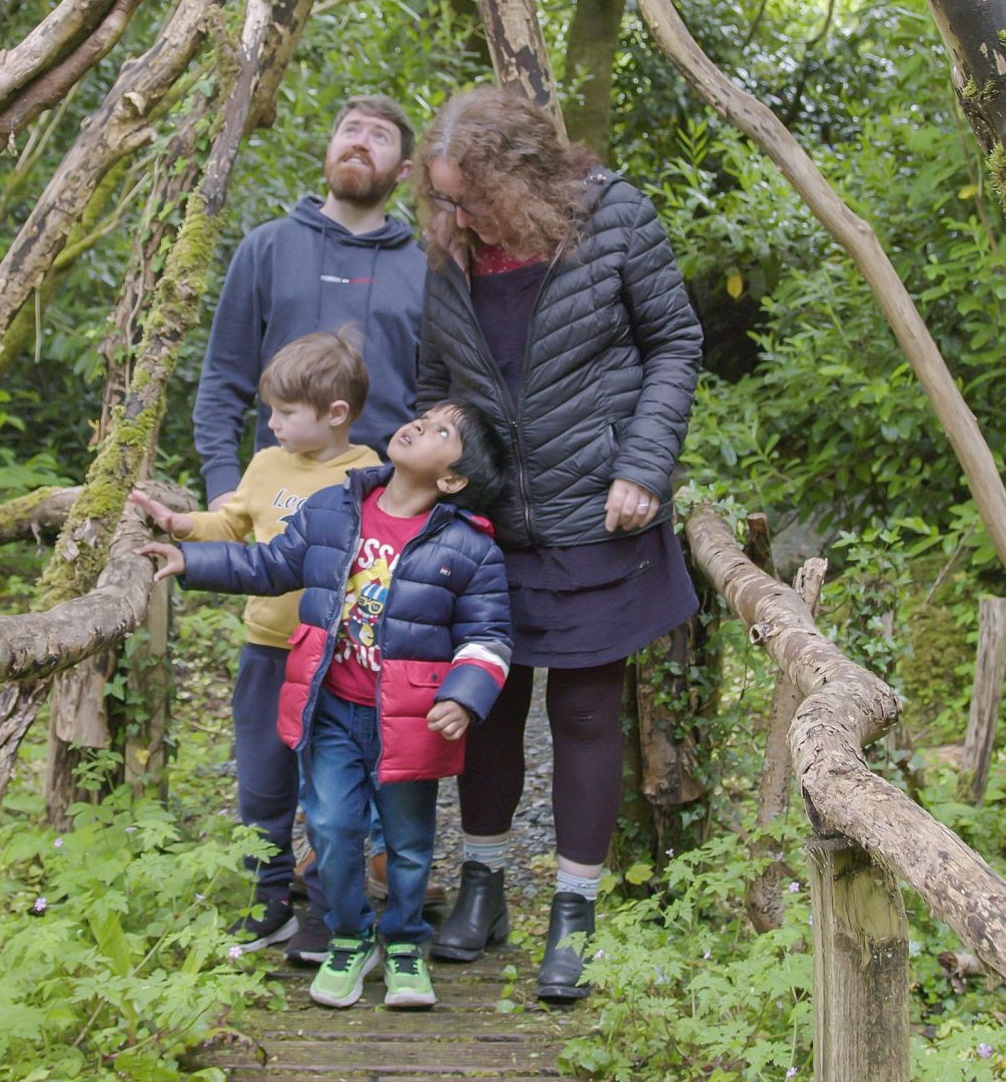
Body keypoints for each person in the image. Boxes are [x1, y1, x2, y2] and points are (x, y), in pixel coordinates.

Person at [411, 85, 703, 1004]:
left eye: (469, 196)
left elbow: (675, 344)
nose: (456, 215)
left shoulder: (614, 216)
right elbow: (433, 378)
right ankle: (484, 887)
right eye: (444, 198)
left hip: (597, 509)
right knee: (487, 708)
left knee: (582, 713)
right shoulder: (451, 248)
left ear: (521, 174)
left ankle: (574, 914)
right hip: (490, 524)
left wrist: (645, 467)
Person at [143, 403, 513, 1011]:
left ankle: (403, 941)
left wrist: (465, 695)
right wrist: (193, 559)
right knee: (333, 829)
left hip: (409, 721)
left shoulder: (469, 549)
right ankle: (349, 934)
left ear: (452, 479)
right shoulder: (334, 510)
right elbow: (270, 564)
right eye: (423, 418)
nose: (420, 426)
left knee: (408, 842)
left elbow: (489, 636)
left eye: (442, 432)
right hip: (333, 709)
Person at [129, 331, 378, 949]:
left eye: (285, 414)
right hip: (267, 649)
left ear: (335, 414)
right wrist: (182, 526)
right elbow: (234, 523)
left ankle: (329, 910)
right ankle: (269, 899)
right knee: (263, 781)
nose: (271, 424)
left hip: (336, 660)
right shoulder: (267, 463)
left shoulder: (369, 474)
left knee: (332, 791)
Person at [193, 97, 425, 506]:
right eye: (350, 130)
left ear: (404, 170)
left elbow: (437, 399)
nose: (361, 143)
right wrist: (223, 489)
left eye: (380, 136)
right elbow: (223, 380)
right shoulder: (268, 248)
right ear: (330, 147)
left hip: (386, 502)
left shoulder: (424, 271)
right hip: (274, 496)